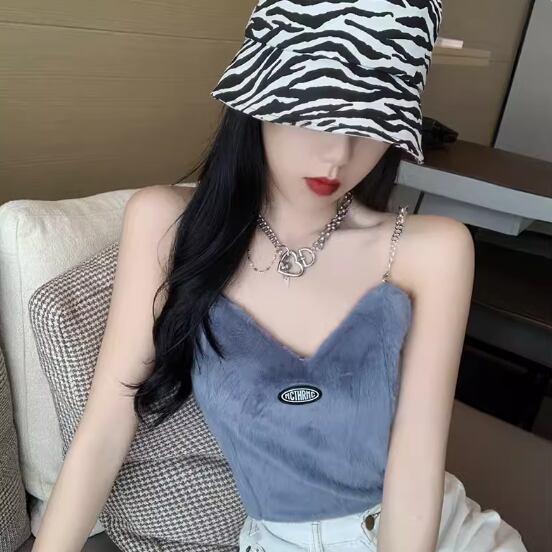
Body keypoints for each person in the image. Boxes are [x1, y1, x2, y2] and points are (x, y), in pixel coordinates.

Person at [32, 1, 528, 551]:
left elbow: (417, 461)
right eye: (318, 111)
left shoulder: (433, 250)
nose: (339, 153)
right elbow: (104, 430)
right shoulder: (165, 224)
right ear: (259, 95)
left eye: (371, 124)